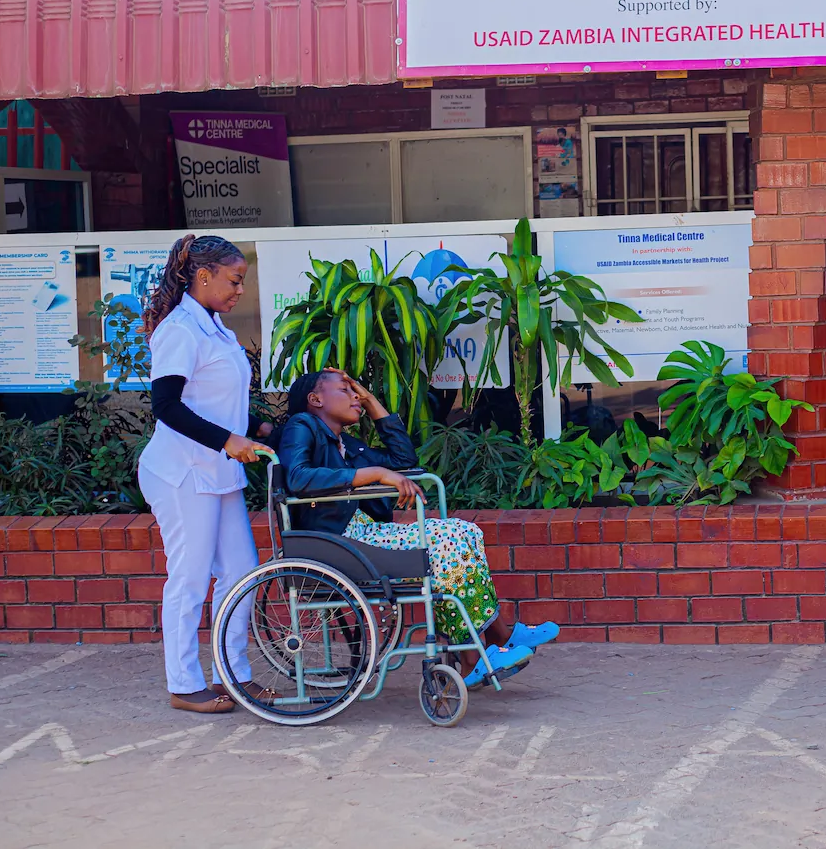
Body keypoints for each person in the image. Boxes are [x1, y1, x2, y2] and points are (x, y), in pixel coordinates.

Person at [278, 369, 558, 687]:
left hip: (362, 535)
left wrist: (372, 404)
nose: (355, 395)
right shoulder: (302, 426)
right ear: (315, 399)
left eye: (357, 392)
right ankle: (482, 651)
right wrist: (375, 474)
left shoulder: (345, 443)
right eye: (346, 390)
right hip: (339, 542)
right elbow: (298, 478)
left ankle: (488, 646)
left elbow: (404, 459)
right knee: (447, 540)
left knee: (465, 532)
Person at [137, 235, 270, 714]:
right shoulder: (180, 331)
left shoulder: (216, 327)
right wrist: (229, 441)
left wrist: (259, 427)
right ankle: (184, 684)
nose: (239, 291)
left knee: (241, 574)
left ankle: (233, 675)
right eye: (234, 281)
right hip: (183, 474)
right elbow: (167, 405)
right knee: (189, 579)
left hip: (220, 471)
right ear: (203, 276)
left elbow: (219, 400)